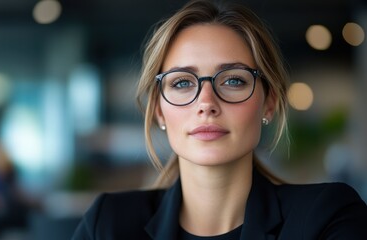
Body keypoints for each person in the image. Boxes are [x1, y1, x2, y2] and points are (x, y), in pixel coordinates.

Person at [72, 0, 367, 239]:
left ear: (269, 103)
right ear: (159, 110)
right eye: (182, 83)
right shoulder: (109, 225)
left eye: (234, 81)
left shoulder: (326, 217)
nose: (206, 103)